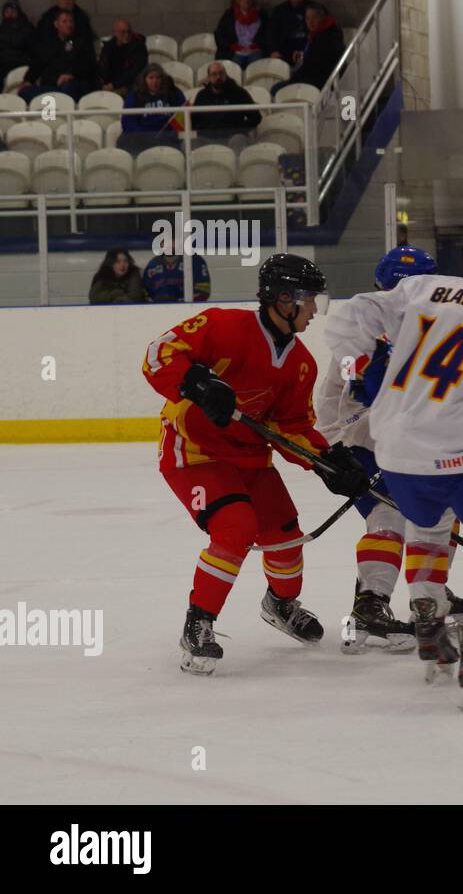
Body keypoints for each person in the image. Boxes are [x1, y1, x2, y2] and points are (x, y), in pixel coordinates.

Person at [323, 216, 463, 712]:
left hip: (394, 449)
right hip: (460, 450)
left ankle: (429, 621)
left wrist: (361, 365)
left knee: (429, 525)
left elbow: (344, 319)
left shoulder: (423, 288)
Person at [142, 254, 370, 675]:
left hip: (250, 459)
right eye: (309, 300)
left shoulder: (301, 363)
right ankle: (199, 623)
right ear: (284, 299)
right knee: (236, 527)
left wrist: (327, 460)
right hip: (194, 453)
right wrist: (195, 381)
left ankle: (280, 605)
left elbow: (292, 426)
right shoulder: (222, 326)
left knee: (286, 537)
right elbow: (158, 354)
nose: (315, 310)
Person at [316, 245, 463, 657]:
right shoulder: (363, 338)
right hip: (366, 446)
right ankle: (371, 603)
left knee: (442, 513)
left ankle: (430, 592)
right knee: (389, 517)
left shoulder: (440, 336)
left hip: (416, 445)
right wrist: (335, 448)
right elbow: (332, 396)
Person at [19, 9, 97, 102]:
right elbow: (37, 64)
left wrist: (71, 75)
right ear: (56, 24)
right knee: (24, 92)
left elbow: (89, 66)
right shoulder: (48, 45)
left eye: (71, 21)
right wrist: (28, 80)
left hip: (73, 85)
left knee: (68, 87)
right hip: (51, 86)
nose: (69, 25)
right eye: (64, 21)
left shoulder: (82, 43)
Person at [272, 3, 342, 94]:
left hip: (319, 82)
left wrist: (292, 80)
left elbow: (312, 66)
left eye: (314, 18)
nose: (310, 22)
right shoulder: (319, 34)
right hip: (312, 77)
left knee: (276, 90)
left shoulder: (327, 37)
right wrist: (303, 55)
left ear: (322, 18)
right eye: (307, 18)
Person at [192, 60, 261, 152]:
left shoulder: (239, 92)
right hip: (207, 139)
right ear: (209, 77)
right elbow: (194, 120)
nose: (218, 77)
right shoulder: (201, 95)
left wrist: (239, 129)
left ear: (226, 74)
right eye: (214, 74)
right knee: (191, 143)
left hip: (232, 138)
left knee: (238, 139)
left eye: (221, 73)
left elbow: (256, 116)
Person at [119, 63, 186, 154]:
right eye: (151, 78)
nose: (155, 81)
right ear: (144, 79)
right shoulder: (135, 95)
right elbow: (127, 120)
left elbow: (183, 114)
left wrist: (169, 133)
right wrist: (143, 135)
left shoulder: (173, 92)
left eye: (158, 78)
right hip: (142, 137)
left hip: (166, 137)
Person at [214, 0, 269, 69]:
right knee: (233, 68)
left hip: (254, 51)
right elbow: (219, 35)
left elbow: (268, 34)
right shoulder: (229, 15)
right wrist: (232, 46)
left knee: (257, 66)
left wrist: (258, 44)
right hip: (236, 52)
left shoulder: (261, 15)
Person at [268, 0, 315, 65]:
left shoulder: (314, 8)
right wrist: (273, 50)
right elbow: (271, 33)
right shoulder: (279, 10)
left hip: (308, 49)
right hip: (286, 51)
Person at [97, 19, 148, 97]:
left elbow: (134, 71)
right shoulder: (109, 47)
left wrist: (113, 85)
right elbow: (103, 68)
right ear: (115, 32)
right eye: (123, 32)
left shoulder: (139, 47)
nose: (126, 35)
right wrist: (102, 83)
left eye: (129, 32)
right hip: (110, 84)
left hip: (130, 84)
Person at [142, 245, 211, 302]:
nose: (168, 243)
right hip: (157, 311)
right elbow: (144, 292)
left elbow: (203, 291)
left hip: (187, 310)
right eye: (164, 240)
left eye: (172, 240)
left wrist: (179, 302)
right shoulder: (153, 263)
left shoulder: (195, 260)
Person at [0, 0, 35, 83]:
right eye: (7, 12)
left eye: (13, 11)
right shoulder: (1, 28)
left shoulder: (27, 27)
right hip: (3, 63)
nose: (10, 14)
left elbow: (22, 44)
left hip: (22, 63)